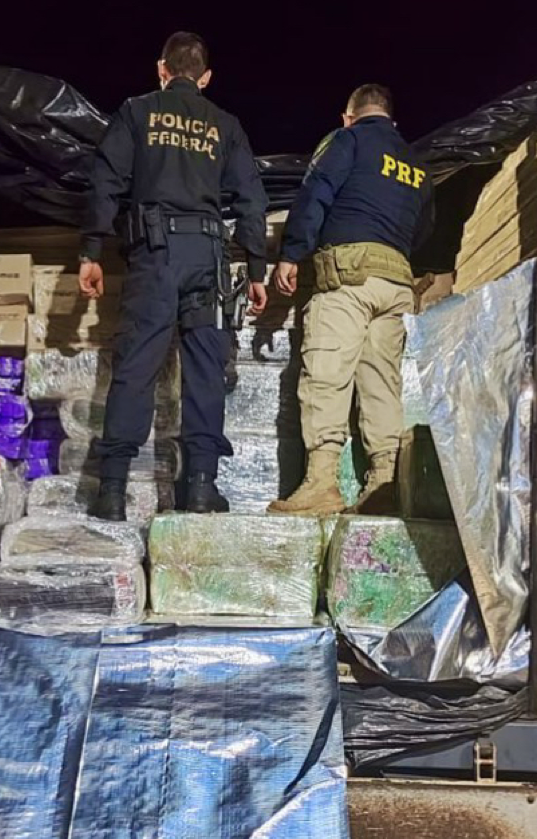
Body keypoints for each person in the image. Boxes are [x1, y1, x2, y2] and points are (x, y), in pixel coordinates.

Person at [79, 31, 269, 521]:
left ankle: (113, 492)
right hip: (208, 257)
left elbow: (105, 181)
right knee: (206, 370)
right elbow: (252, 199)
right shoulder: (225, 125)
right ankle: (201, 487)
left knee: (136, 366)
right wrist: (256, 269)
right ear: (206, 78)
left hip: (156, 255)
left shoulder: (137, 112)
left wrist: (91, 250)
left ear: (161, 69)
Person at [268, 84, 434, 516]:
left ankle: (321, 483)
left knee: (327, 374)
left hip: (349, 279)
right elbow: (424, 228)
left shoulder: (348, 140)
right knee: (382, 385)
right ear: (392, 120)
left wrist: (292, 254)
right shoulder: (416, 163)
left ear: (349, 116)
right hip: (396, 284)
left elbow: (315, 194)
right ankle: (384, 485)